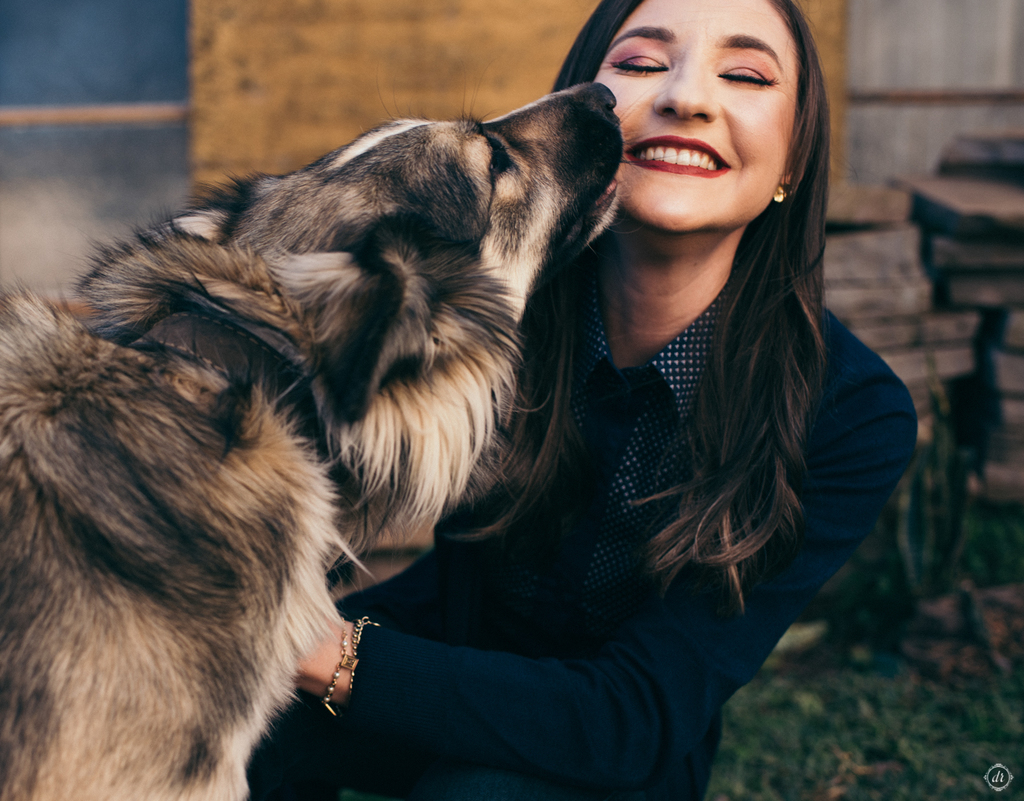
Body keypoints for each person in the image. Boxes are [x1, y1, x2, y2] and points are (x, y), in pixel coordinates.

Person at [248, 0, 917, 798]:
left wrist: (330, 653)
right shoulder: (493, 311)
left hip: (619, 755)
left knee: (482, 792)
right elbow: (452, 584)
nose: (686, 97)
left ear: (793, 164)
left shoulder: (849, 409)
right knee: (233, 708)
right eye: (641, 63)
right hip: (456, 670)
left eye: (744, 75)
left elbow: (634, 715)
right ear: (579, 127)